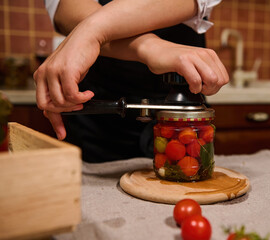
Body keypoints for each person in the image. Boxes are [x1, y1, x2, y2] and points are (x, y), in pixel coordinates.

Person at [34, 0, 229, 163]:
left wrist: (90, 31)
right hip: (98, 122)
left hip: (186, 119)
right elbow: (65, 7)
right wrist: (150, 47)